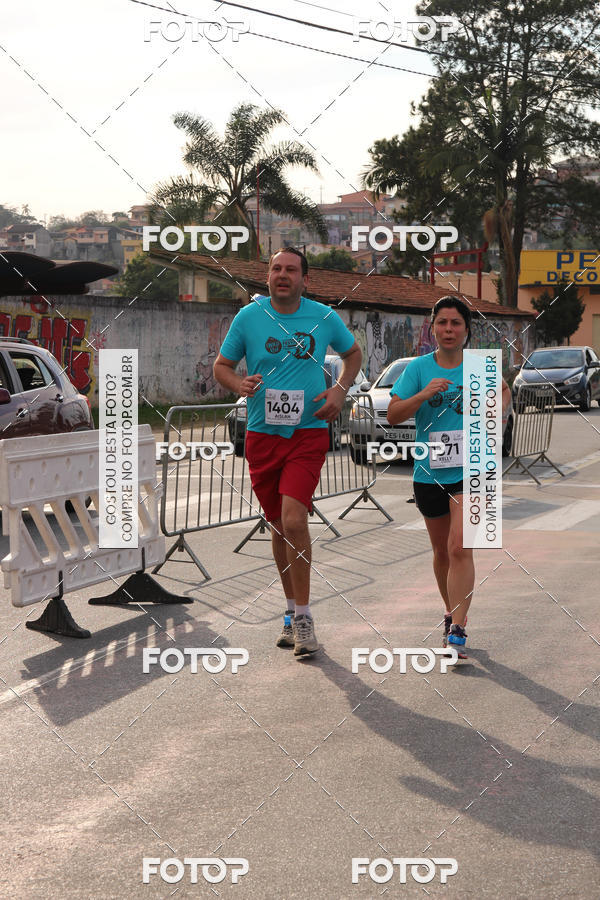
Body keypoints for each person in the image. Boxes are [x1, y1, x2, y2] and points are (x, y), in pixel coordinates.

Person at [213, 248, 362, 656]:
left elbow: (353, 355)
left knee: (295, 519)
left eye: (291, 270)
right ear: (268, 276)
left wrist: (339, 390)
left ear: (304, 279)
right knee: (278, 525)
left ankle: (305, 618)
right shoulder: (249, 317)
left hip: (308, 433)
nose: (282, 275)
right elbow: (222, 367)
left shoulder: (324, 317)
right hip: (262, 435)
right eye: (276, 269)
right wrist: (238, 384)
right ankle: (291, 609)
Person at [387, 295, 510, 658]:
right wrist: (423, 394)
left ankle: (458, 627)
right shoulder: (419, 368)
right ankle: (449, 610)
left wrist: (491, 416)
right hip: (430, 471)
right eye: (442, 322)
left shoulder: (479, 365)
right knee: (441, 551)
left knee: (461, 547)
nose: (449, 329)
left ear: (467, 329)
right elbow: (393, 414)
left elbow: (504, 390)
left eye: (456, 323)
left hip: (475, 470)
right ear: (433, 327)